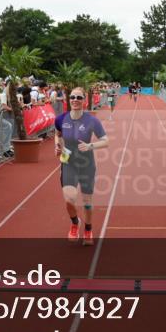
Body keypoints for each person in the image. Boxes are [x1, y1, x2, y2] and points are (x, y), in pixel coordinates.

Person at [54, 87, 109, 246]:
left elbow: (106, 141)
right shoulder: (61, 119)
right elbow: (58, 135)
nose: (75, 100)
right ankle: (74, 223)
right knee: (69, 200)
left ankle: (88, 229)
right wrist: (57, 146)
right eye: (72, 97)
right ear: (69, 99)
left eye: (79, 97)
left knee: (87, 202)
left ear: (84, 100)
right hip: (68, 163)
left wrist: (90, 145)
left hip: (87, 165)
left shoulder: (92, 120)